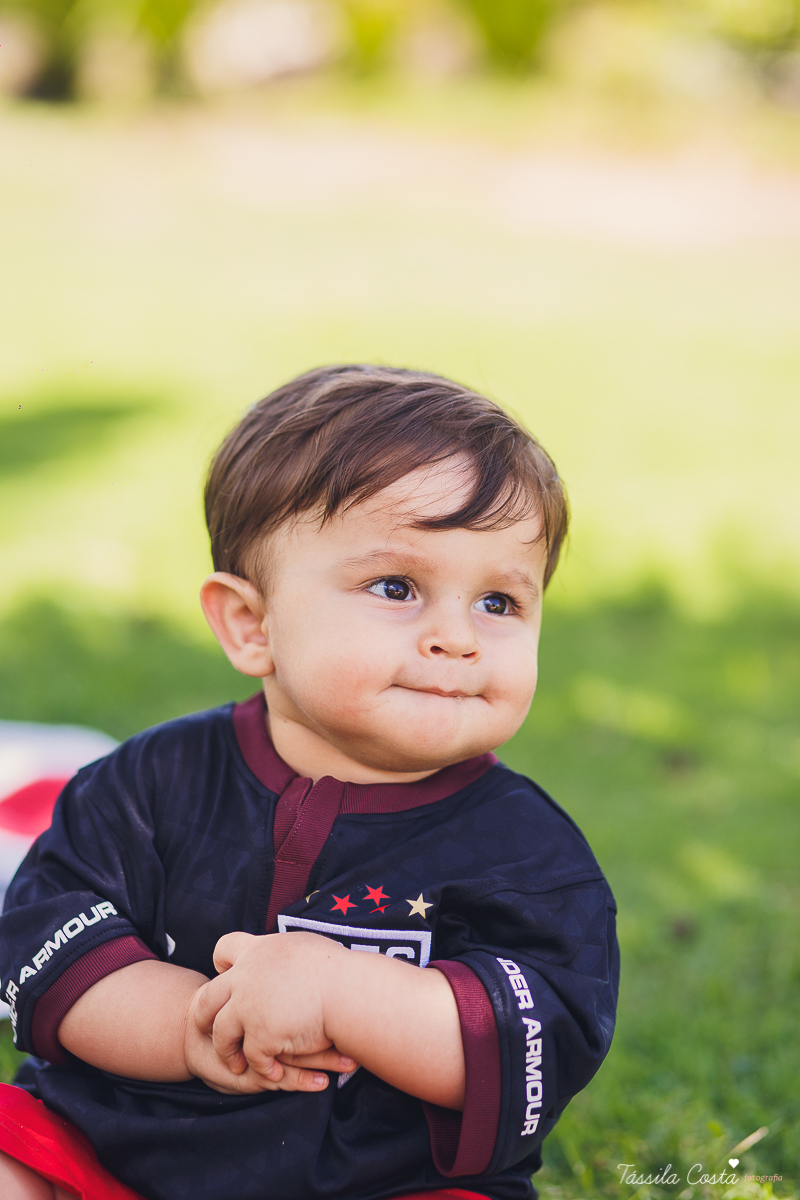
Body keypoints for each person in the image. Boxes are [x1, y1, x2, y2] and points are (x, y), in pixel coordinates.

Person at [0, 365, 619, 1200]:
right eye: (397, 588)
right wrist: (192, 1030)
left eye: (499, 603)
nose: (457, 637)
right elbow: (48, 950)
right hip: (118, 1151)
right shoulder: (145, 787)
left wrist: (342, 993)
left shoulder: (526, 853)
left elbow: (536, 1040)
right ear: (252, 624)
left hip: (384, 1181)